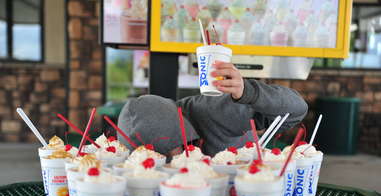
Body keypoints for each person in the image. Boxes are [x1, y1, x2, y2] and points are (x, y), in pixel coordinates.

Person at [118, 61, 308, 157]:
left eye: (171, 149)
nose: (171, 161)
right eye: (160, 159)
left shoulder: (215, 111)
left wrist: (247, 92)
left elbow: (297, 110)